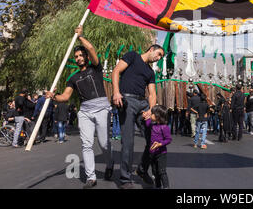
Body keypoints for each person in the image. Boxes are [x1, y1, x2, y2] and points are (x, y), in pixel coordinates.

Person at [46, 26, 114, 188]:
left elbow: (90, 47)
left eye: (81, 55)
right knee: (86, 144)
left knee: (104, 144)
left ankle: (110, 163)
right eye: (76, 56)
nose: (79, 58)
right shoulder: (73, 78)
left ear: (86, 56)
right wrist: (53, 96)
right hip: (85, 111)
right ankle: (91, 177)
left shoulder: (95, 68)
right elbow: (65, 97)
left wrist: (80, 36)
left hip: (102, 108)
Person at [112, 43, 164, 189]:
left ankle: (142, 169)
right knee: (128, 142)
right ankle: (124, 179)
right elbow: (116, 71)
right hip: (127, 100)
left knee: (154, 138)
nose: (158, 58)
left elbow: (152, 93)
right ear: (151, 49)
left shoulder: (150, 72)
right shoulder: (132, 56)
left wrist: (151, 110)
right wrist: (116, 92)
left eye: (161, 57)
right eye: (158, 54)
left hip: (143, 104)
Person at [142, 105, 172, 189]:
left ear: (158, 116)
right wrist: (146, 117)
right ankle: (158, 186)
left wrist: (160, 144)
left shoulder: (164, 127)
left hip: (161, 153)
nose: (151, 115)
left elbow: (168, 139)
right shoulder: (152, 125)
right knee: (155, 171)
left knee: (162, 171)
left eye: (152, 114)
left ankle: (166, 187)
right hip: (152, 153)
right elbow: (147, 123)